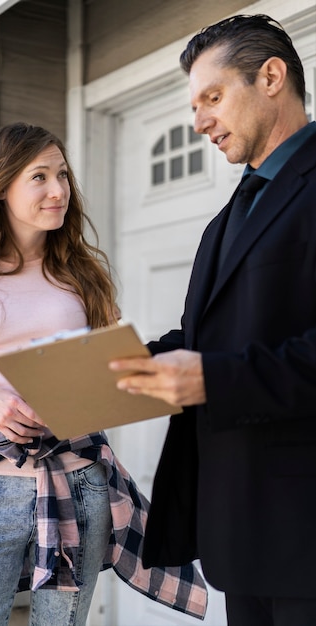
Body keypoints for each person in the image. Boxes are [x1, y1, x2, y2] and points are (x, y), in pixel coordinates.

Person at [0, 123, 206, 626]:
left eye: (62, 174)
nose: (58, 190)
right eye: (39, 176)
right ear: (2, 186)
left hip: (79, 486)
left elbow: (104, 378)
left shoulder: (83, 274)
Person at [109, 14, 316, 626]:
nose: (198, 120)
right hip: (241, 537)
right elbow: (205, 343)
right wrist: (112, 370)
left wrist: (213, 381)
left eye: (212, 97)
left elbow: (219, 368)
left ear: (271, 77)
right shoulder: (226, 218)